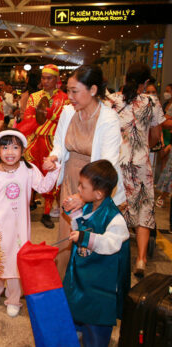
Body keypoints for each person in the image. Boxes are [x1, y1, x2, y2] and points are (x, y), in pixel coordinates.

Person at [43, 65, 126, 279]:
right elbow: (60, 143)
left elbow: (107, 163)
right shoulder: (68, 112)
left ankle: (82, 290)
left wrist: (83, 195)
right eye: (68, 90)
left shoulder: (108, 118)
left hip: (95, 187)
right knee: (66, 235)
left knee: (88, 238)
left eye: (74, 91)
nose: (69, 96)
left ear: (93, 90)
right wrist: (55, 157)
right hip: (72, 180)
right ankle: (64, 285)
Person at [0, 130, 60, 317]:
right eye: (5, 147)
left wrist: (53, 171)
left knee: (16, 262)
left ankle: (14, 298)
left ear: (22, 150)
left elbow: (44, 187)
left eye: (15, 147)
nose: (10, 152)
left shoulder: (28, 170)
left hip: (19, 228)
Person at [104, 62, 165, 277]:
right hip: (140, 163)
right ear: (146, 82)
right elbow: (156, 136)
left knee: (116, 205)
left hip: (116, 163)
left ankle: (110, 253)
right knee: (144, 209)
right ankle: (140, 259)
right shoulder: (152, 102)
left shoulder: (111, 101)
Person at [63, 160, 130, 347]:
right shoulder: (88, 205)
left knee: (95, 319)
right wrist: (74, 216)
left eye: (82, 186)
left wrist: (85, 238)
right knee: (77, 304)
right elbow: (81, 224)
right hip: (83, 273)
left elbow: (112, 243)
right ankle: (77, 333)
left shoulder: (114, 217)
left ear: (99, 193)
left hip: (100, 280)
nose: (78, 189)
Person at [18, 64, 69, 229]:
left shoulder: (65, 99)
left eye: (49, 78)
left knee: (50, 176)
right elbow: (28, 117)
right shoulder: (34, 96)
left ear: (56, 79)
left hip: (53, 143)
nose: (45, 81)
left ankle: (46, 213)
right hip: (35, 140)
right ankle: (27, 206)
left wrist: (50, 115)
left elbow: (64, 120)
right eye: (43, 78)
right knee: (30, 173)